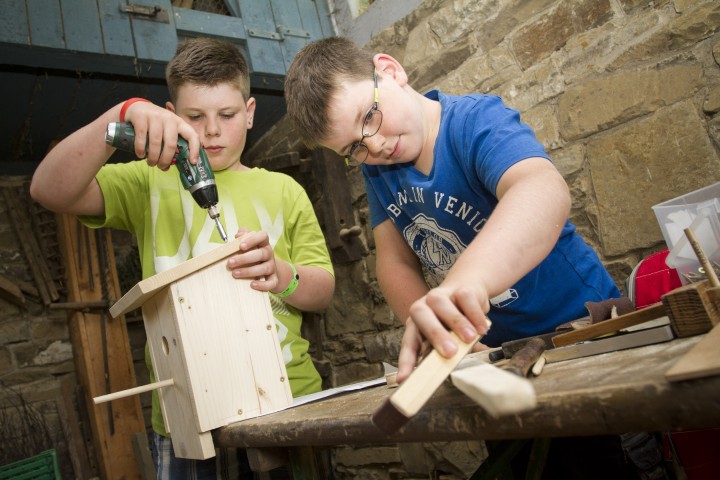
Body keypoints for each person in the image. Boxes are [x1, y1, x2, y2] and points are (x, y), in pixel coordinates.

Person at [284, 37, 638, 479]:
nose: (372, 147)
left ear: (390, 71)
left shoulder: (475, 121)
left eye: (368, 118)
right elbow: (393, 262)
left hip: (581, 333)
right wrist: (442, 328)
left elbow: (540, 190)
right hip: (494, 354)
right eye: (352, 149)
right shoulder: (380, 170)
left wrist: (461, 285)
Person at [31, 37, 335, 478]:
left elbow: (323, 292)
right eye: (195, 117)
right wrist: (120, 115)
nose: (211, 130)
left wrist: (281, 273)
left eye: (227, 115)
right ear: (171, 118)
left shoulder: (284, 191)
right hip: (185, 411)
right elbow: (47, 189)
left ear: (250, 113)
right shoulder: (147, 182)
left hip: (286, 398)